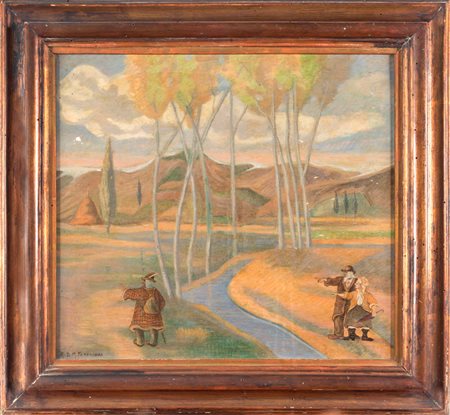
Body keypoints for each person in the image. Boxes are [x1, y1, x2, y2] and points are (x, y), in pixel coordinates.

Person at [123, 271, 166, 347]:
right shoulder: (156, 292)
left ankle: (140, 341)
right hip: (154, 315)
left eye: (150, 281)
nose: (150, 283)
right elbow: (162, 301)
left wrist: (126, 292)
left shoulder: (141, 291)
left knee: (138, 326)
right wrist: (158, 309)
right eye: (149, 281)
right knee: (153, 326)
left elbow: (131, 293)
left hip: (141, 315)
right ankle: (153, 342)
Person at [318, 265, 358, 340]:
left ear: (352, 272)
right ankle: (338, 334)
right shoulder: (340, 279)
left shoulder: (357, 281)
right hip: (340, 303)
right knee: (337, 317)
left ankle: (352, 334)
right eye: (344, 272)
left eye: (347, 272)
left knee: (351, 318)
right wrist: (325, 280)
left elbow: (360, 290)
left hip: (351, 303)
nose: (345, 273)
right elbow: (332, 281)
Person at [337, 277, 380, 341]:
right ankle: (351, 335)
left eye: (357, 283)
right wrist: (339, 294)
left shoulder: (368, 295)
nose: (355, 284)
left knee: (366, 322)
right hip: (354, 310)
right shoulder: (354, 293)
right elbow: (347, 296)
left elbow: (373, 302)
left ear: (361, 285)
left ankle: (364, 336)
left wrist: (373, 311)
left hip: (364, 310)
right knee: (351, 321)